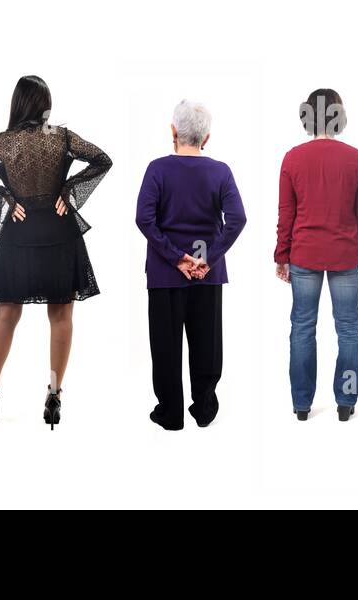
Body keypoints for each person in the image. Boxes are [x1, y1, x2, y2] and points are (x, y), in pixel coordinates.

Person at [0, 75, 111, 430]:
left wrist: (8, 200)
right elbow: (102, 160)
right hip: (60, 233)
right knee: (61, 316)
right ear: (45, 104)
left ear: (17, 104)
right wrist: (68, 191)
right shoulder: (62, 138)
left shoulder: (3, 144)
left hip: (19, 235)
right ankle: (55, 395)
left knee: (5, 316)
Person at [135, 100, 246, 431]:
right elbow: (237, 218)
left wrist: (175, 257)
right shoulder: (220, 172)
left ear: (173, 131)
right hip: (208, 275)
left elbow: (144, 218)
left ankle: (171, 413)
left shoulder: (157, 169)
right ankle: (205, 408)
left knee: (165, 346)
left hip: (165, 274)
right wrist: (208, 258)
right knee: (207, 345)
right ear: (206, 138)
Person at [276, 89, 358, 422]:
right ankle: (346, 402)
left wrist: (282, 255)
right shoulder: (356, 159)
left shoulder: (293, 158)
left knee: (302, 327)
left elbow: (286, 214)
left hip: (304, 253)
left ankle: (302, 404)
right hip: (346, 255)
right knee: (348, 329)